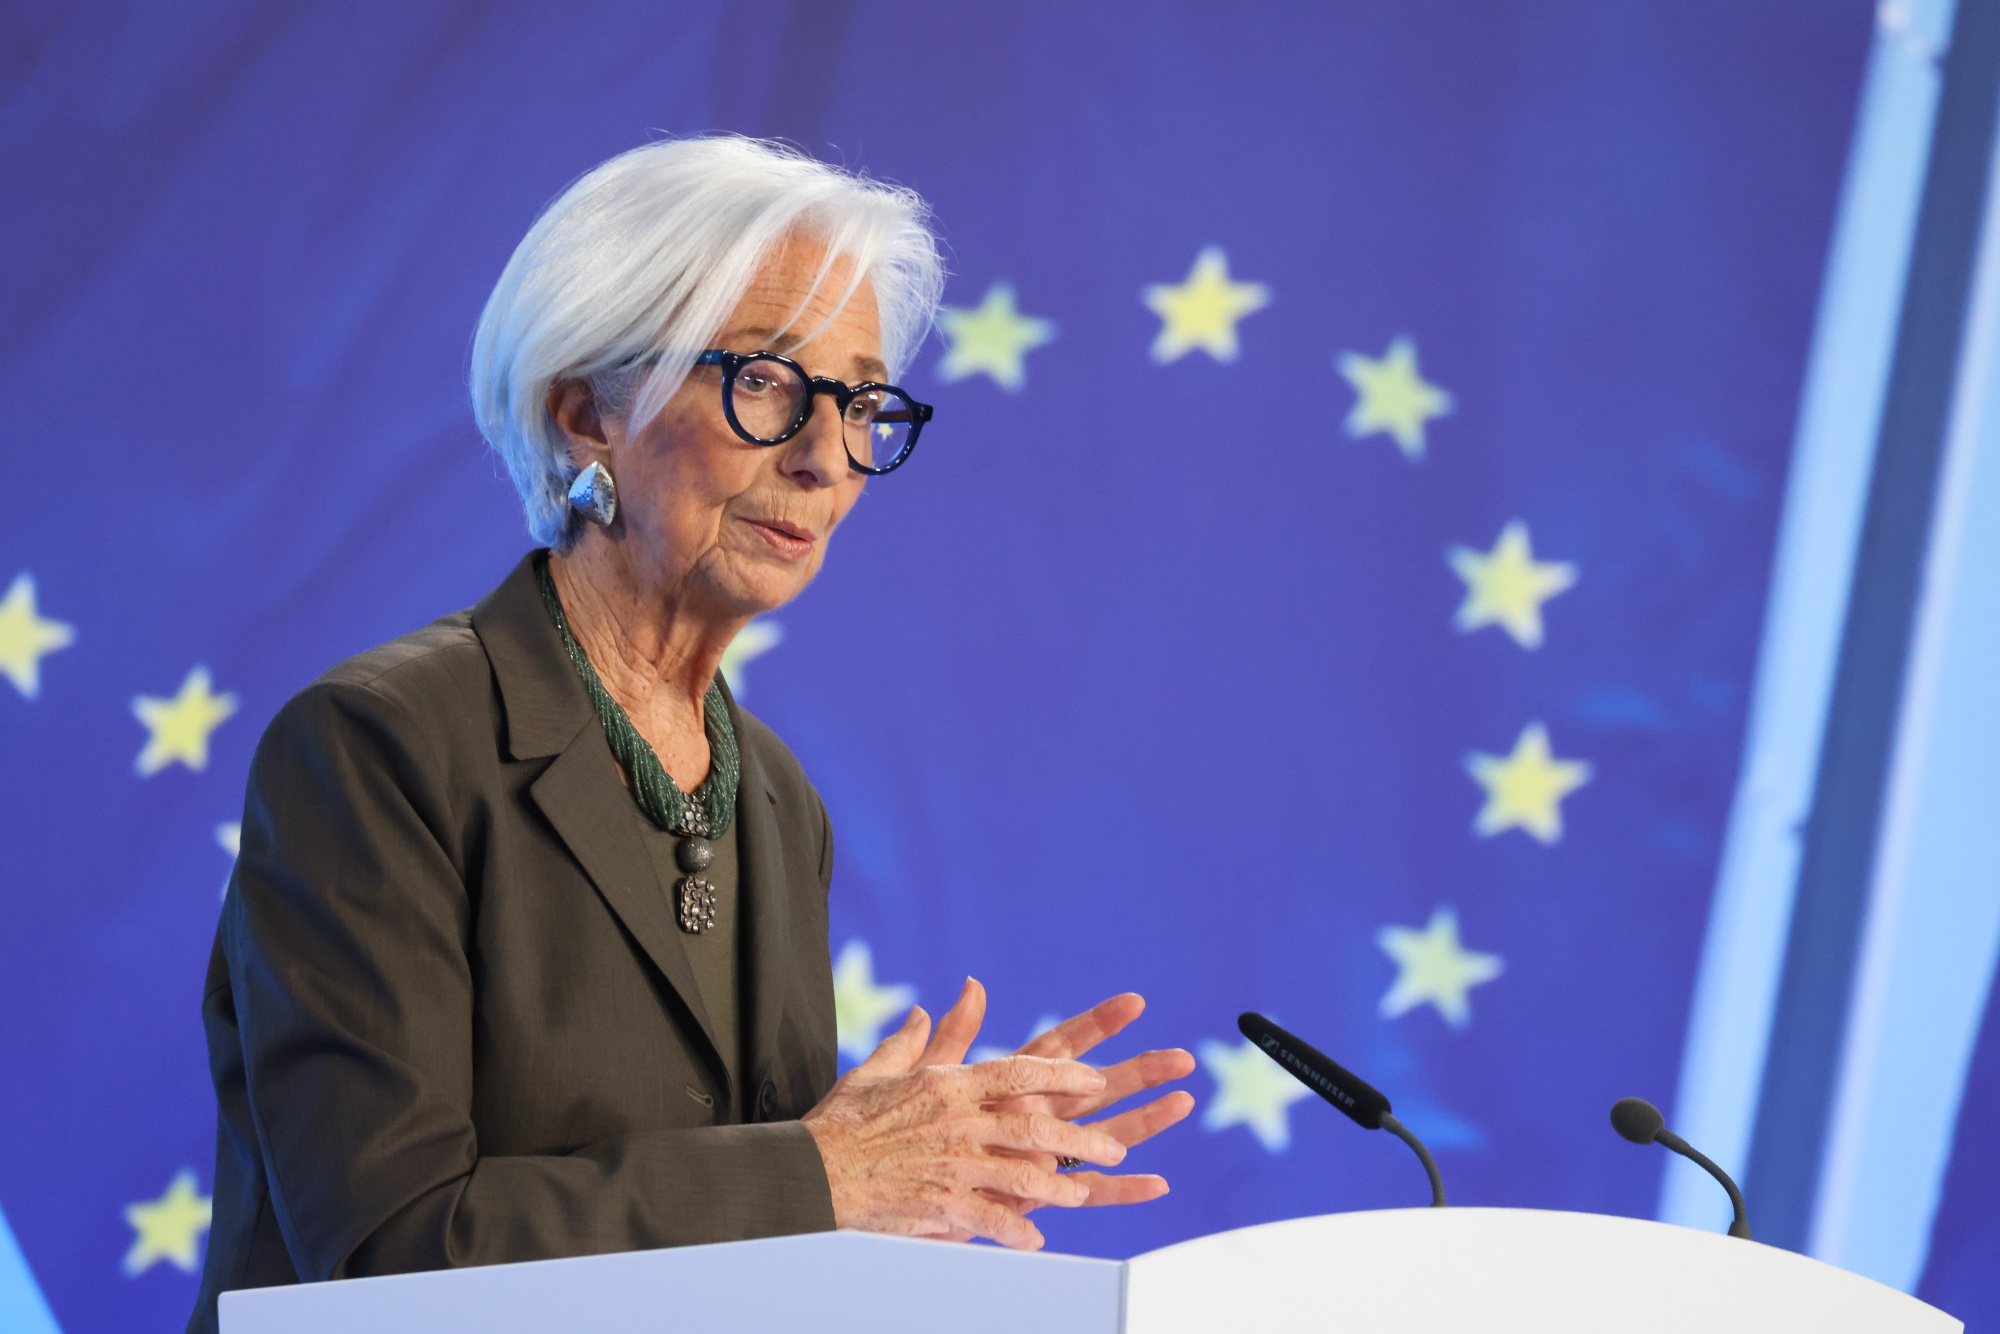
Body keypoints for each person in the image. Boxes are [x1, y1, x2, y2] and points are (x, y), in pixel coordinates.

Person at [190, 136, 1195, 1331]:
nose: (825, 458)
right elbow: (388, 1255)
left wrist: (916, 1174)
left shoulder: (770, 796)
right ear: (585, 413)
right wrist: (826, 1171)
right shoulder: (377, 747)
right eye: (766, 382)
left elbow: (742, 1269)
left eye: (861, 401)